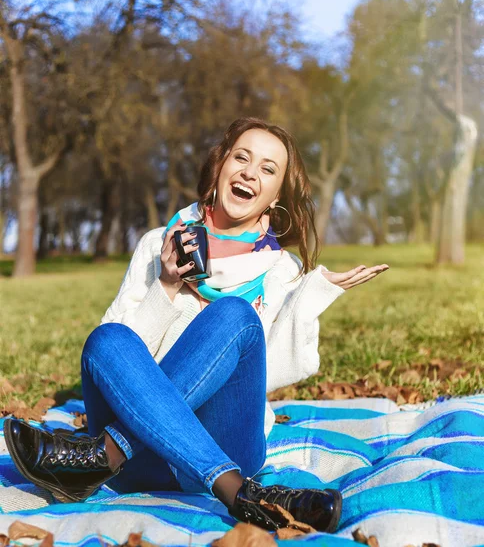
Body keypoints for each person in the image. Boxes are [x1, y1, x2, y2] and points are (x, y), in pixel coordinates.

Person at [4, 117, 389, 533]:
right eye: (241, 157)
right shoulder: (159, 244)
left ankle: (105, 454)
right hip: (145, 460)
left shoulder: (281, 270)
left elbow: (271, 375)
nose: (249, 172)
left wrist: (309, 300)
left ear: (276, 196)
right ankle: (240, 493)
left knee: (235, 317)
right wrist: (167, 287)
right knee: (107, 338)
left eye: (267, 168)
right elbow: (111, 366)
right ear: (221, 166)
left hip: (221, 439)